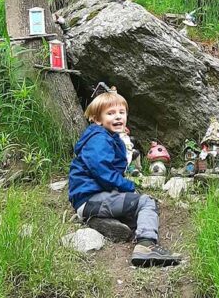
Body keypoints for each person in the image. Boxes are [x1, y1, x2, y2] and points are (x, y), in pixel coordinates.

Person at [68, 89, 181, 267]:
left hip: (91, 200)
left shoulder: (107, 138)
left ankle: (102, 223)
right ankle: (146, 246)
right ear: (98, 119)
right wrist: (128, 186)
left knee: (136, 212)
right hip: (91, 198)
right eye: (110, 113)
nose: (118, 117)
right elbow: (102, 171)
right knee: (146, 203)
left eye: (122, 112)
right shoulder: (99, 139)